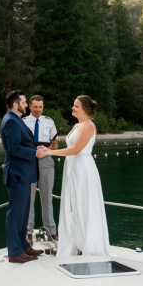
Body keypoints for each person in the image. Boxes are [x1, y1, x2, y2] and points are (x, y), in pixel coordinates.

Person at [42, 95, 111, 257]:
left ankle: (87, 245)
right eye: (73, 105)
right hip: (72, 168)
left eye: (76, 106)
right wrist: (48, 147)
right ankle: (76, 243)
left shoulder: (88, 126)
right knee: (72, 205)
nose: (73, 108)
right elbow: (70, 149)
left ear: (85, 109)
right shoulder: (77, 125)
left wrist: (50, 152)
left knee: (83, 205)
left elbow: (75, 150)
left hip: (83, 169)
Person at [1, 90, 48, 263]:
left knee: (23, 213)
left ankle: (22, 246)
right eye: (24, 102)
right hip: (17, 174)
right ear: (15, 105)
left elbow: (22, 144)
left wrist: (38, 148)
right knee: (15, 215)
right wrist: (36, 153)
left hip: (23, 174)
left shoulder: (15, 119)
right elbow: (14, 149)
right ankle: (14, 252)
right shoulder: (11, 121)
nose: (27, 105)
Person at [22, 95, 59, 246]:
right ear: (29, 106)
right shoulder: (22, 122)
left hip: (46, 161)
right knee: (29, 199)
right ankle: (28, 233)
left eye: (40, 107)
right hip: (28, 162)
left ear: (43, 107)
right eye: (35, 106)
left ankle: (51, 230)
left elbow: (55, 144)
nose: (38, 109)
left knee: (47, 198)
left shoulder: (49, 122)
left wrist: (49, 148)